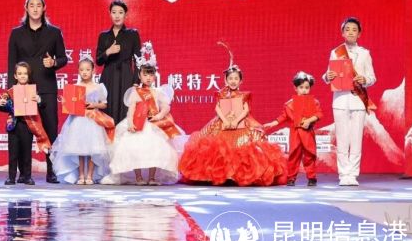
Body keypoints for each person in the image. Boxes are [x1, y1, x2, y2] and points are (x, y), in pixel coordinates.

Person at [179, 43, 287, 186]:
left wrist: (236, 121)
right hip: (222, 123)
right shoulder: (222, 94)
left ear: (241, 81)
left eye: (236, 79)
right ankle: (222, 174)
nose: (233, 81)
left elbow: (246, 109)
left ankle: (237, 174)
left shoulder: (243, 95)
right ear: (225, 80)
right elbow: (217, 108)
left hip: (241, 123)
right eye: (230, 78)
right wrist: (224, 120)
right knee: (217, 147)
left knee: (245, 145)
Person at [102, 42, 184, 185]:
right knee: (135, 150)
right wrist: (130, 122)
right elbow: (131, 109)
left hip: (154, 124)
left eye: (150, 75)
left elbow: (166, 107)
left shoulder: (158, 92)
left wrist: (159, 115)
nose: (148, 77)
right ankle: (138, 177)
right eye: (145, 74)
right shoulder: (136, 92)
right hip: (138, 124)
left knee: (155, 150)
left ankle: (152, 177)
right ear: (139, 76)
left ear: (154, 76)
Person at [7, 0, 66, 183]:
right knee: (23, 132)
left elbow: (63, 58)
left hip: (46, 87)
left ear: (44, 8)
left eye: (38, 5)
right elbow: (11, 63)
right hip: (23, 89)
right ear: (26, 8)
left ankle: (52, 171)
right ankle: (24, 173)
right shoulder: (16, 33)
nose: (35, 8)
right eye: (31, 5)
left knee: (50, 129)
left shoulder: (54, 32)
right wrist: (12, 92)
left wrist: (54, 62)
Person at [322, 17, 376, 186]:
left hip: (358, 100)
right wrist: (328, 76)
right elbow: (327, 75)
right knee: (342, 138)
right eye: (347, 29)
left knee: (356, 138)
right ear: (342, 33)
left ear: (359, 33)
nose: (351, 32)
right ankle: (343, 174)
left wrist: (364, 79)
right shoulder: (335, 52)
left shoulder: (365, 53)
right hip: (340, 99)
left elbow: (372, 77)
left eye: (354, 30)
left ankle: (353, 174)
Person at [50, 57, 114, 184]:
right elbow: (70, 105)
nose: (85, 72)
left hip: (93, 121)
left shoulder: (98, 87)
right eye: (82, 70)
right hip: (78, 120)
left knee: (93, 149)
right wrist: (67, 102)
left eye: (87, 69)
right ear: (78, 71)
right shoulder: (75, 87)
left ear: (93, 71)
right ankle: (81, 175)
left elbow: (104, 104)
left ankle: (89, 175)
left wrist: (94, 105)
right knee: (79, 148)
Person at [263, 72, 323, 186]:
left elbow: (319, 114)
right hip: (295, 134)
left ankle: (312, 177)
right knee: (294, 156)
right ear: (295, 88)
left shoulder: (313, 102)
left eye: (307, 87)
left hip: (307, 134)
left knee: (309, 156)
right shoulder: (289, 104)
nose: (304, 90)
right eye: (301, 87)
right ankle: (291, 178)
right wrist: (273, 123)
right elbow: (283, 116)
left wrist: (309, 121)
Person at [0, 62, 51, 185]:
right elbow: (2, 106)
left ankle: (27, 177)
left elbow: (43, 105)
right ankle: (11, 177)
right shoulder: (9, 92)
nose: (22, 76)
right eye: (20, 73)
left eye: (25, 74)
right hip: (14, 125)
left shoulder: (32, 91)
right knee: (13, 153)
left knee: (26, 152)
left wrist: (39, 100)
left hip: (28, 125)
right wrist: (0, 104)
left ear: (28, 75)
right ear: (15, 76)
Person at [96, 0, 141, 124]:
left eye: (120, 12)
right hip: (108, 76)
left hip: (126, 75)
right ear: (110, 14)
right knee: (107, 108)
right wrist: (108, 52)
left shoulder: (132, 34)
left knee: (125, 109)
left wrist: (135, 83)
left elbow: (138, 60)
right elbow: (98, 61)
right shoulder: (104, 36)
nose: (117, 16)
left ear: (125, 15)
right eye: (114, 12)